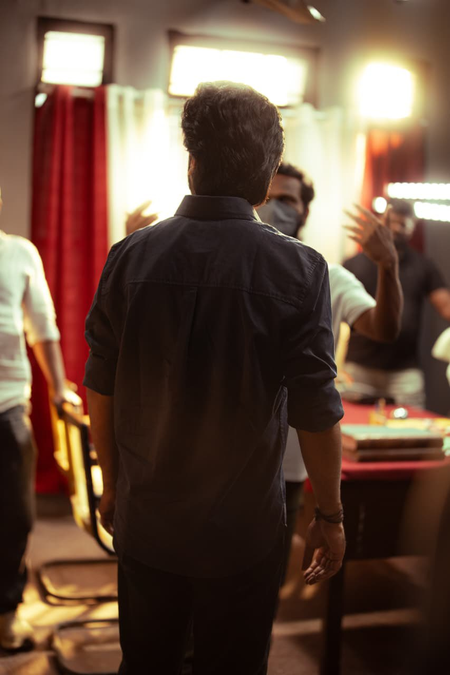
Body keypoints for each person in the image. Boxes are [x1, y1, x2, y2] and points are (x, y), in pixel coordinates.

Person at [84, 82, 345, 675]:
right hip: (243, 529)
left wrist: (113, 483)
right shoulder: (300, 268)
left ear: (192, 162)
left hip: (148, 517)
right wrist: (329, 515)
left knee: (146, 662)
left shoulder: (130, 255)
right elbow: (316, 406)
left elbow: (101, 382)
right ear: (266, 176)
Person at [258, 162, 403, 585]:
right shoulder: (237, 267)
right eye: (268, 198)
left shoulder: (328, 274)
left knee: (264, 583)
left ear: (304, 211)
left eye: (287, 200)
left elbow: (384, 328)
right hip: (228, 452)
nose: (276, 208)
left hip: (288, 459)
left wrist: (388, 265)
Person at [0, 187, 72, 651]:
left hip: (7, 404)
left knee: (14, 516)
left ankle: (6, 611)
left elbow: (42, 327)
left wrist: (60, 387)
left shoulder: (19, 253)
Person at [344, 198, 450, 408]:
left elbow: (446, 306)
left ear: (412, 227)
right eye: (391, 222)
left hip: (404, 370)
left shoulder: (423, 265)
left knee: (413, 425)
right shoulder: (354, 263)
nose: (395, 229)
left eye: (402, 224)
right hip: (359, 366)